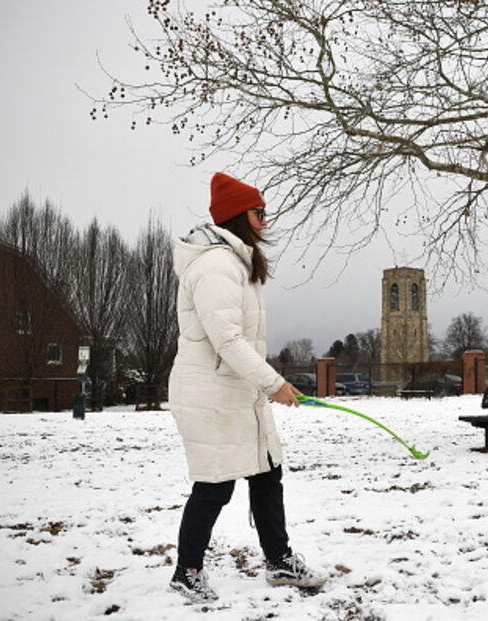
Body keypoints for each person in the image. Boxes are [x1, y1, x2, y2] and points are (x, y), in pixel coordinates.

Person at [167, 172, 327, 602]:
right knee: (215, 484)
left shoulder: (237, 262)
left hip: (238, 392)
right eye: (259, 212)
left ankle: (279, 560)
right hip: (209, 394)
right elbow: (227, 339)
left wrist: (264, 386)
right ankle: (187, 571)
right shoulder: (216, 265)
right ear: (240, 216)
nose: (265, 221)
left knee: (266, 472)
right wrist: (274, 384)